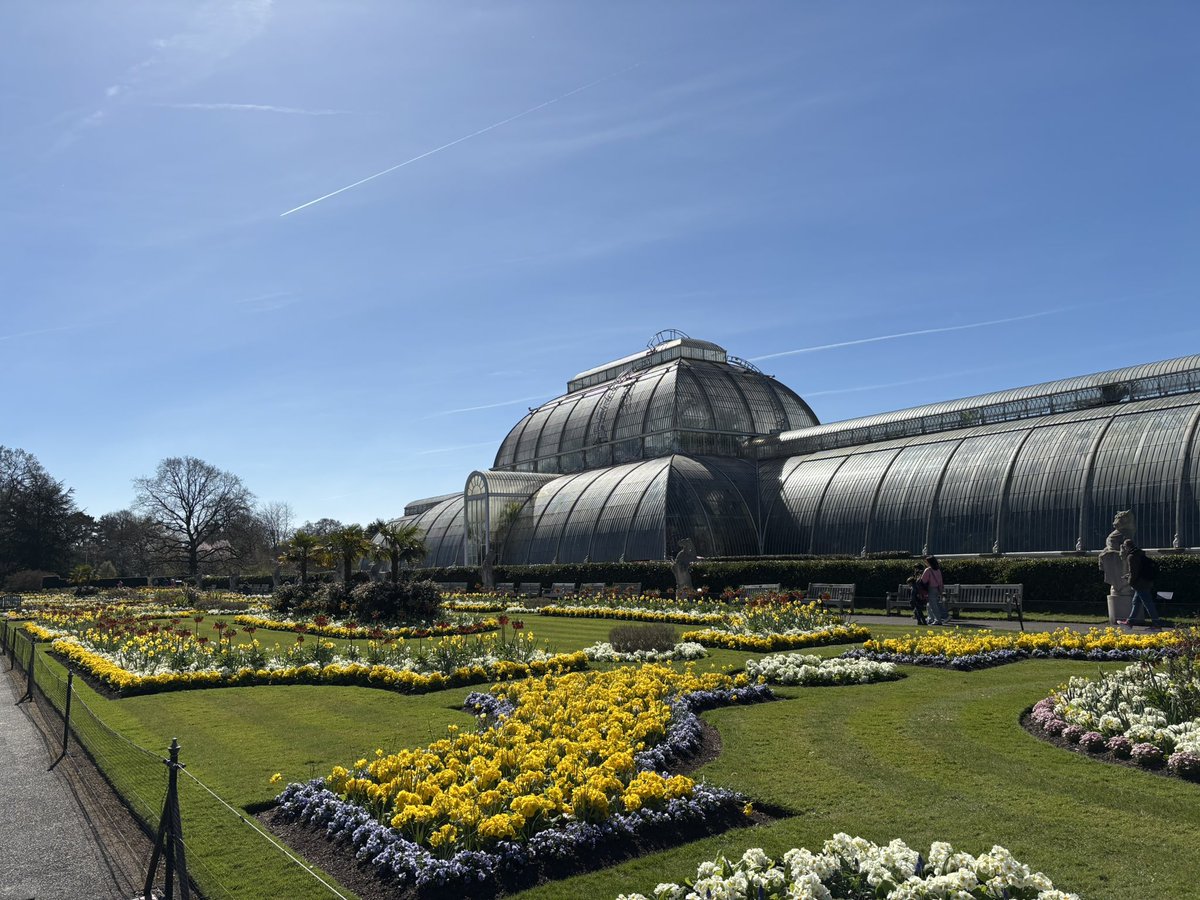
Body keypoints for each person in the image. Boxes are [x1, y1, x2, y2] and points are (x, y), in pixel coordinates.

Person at [1118, 540, 1166, 627]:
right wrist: (1129, 576)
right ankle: (1130, 621)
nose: (1124, 549)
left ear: (1127, 547)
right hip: (1145, 581)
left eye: (1124, 547)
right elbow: (1139, 570)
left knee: (1148, 603)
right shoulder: (1139, 554)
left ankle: (1156, 623)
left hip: (1140, 584)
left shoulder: (1131, 556)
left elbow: (1134, 573)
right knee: (1136, 602)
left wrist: (1130, 581)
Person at [921, 555, 948, 625]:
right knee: (931, 604)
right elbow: (941, 581)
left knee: (933, 606)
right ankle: (931, 618)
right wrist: (941, 590)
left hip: (931, 588)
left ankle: (937, 619)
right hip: (938, 589)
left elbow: (923, 580)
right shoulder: (938, 570)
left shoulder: (928, 570)